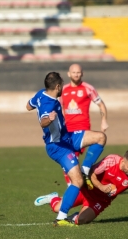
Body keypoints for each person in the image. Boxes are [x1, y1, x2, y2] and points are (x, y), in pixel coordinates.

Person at [27, 72, 107, 226]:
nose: (63, 88)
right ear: (57, 87)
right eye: (62, 85)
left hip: (68, 137)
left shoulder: (40, 94)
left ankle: (85, 170)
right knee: (77, 181)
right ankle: (61, 218)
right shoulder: (48, 104)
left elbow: (28, 105)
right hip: (58, 147)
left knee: (100, 137)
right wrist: (47, 119)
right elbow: (43, 122)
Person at [34, 149, 128, 225]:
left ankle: (75, 216)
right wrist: (101, 187)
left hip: (100, 201)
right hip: (86, 190)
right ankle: (53, 198)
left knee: (81, 221)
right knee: (57, 208)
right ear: (123, 161)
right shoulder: (111, 161)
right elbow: (91, 173)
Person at [60, 63, 109, 189]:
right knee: (68, 160)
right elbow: (59, 109)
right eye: (74, 72)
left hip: (83, 129)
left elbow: (101, 105)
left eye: (78, 72)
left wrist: (103, 120)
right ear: (68, 74)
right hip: (68, 130)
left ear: (82, 73)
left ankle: (85, 171)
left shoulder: (87, 88)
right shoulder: (63, 90)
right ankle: (72, 186)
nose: (76, 74)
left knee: (99, 140)